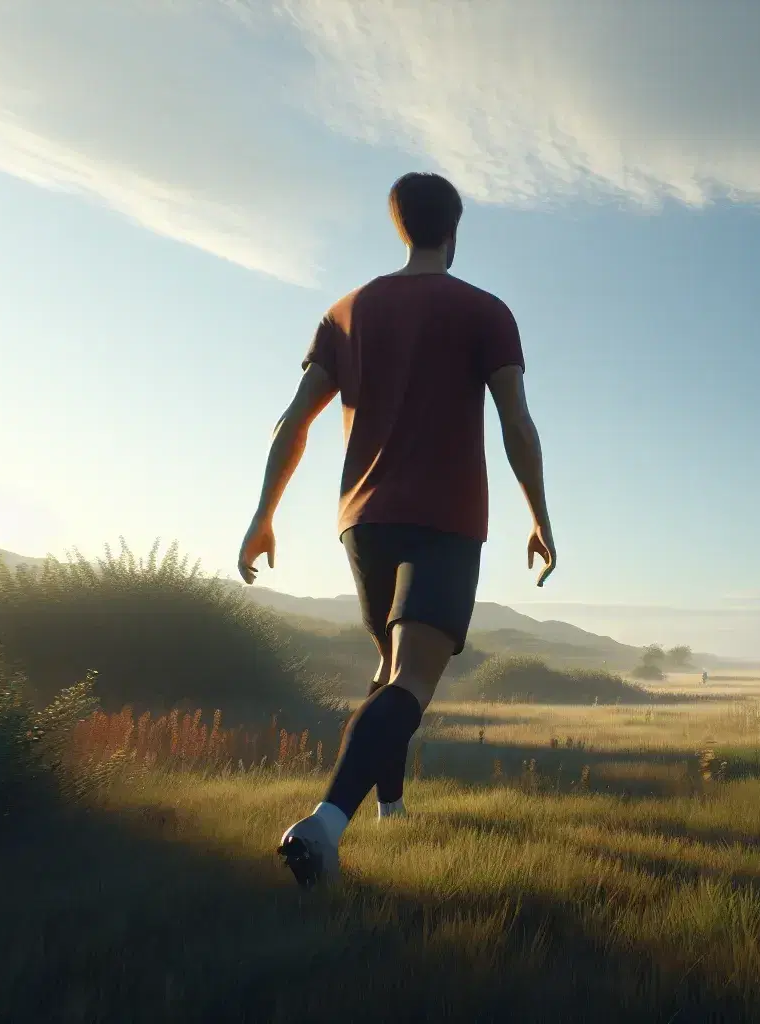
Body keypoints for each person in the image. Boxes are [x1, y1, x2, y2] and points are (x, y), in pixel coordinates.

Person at [237, 171, 556, 889]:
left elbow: (293, 422)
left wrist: (262, 516)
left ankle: (392, 807)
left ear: (399, 225)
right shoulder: (485, 310)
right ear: (454, 231)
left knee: (389, 671)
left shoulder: (346, 311)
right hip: (444, 518)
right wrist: (539, 515)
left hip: (363, 521)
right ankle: (323, 825)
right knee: (413, 677)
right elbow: (516, 425)